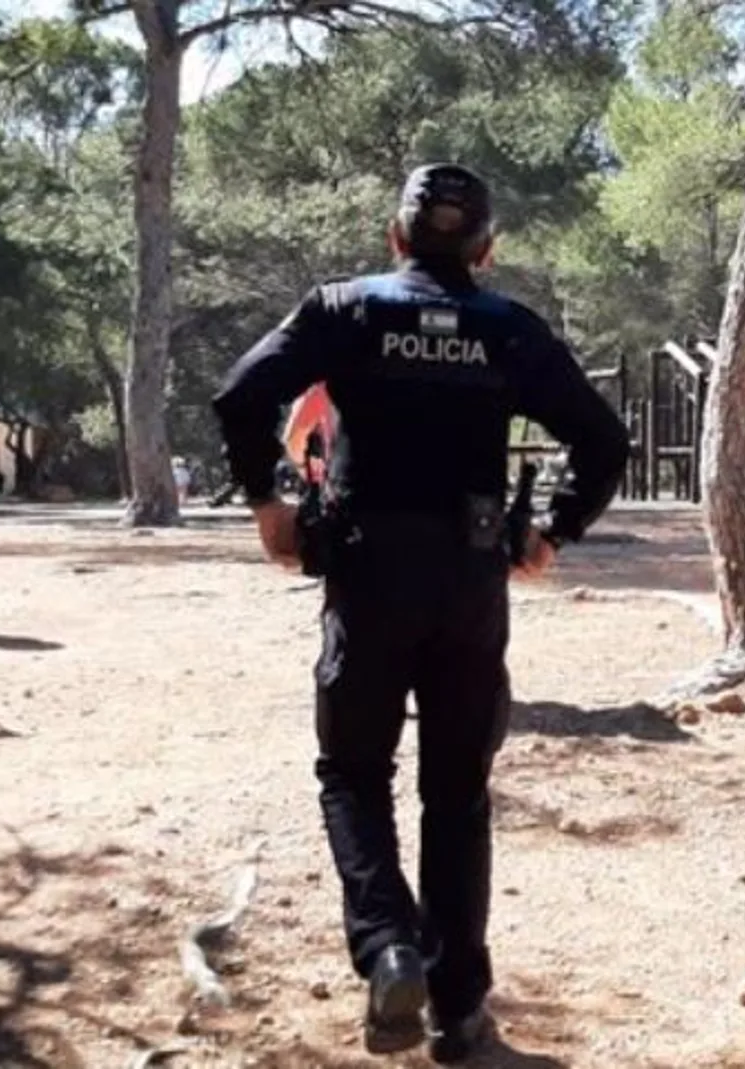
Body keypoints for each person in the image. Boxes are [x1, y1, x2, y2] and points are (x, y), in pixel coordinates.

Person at [211, 163, 629, 1063]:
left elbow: (243, 394)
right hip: (470, 582)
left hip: (365, 574)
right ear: (487, 249)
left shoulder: (345, 309)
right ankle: (459, 1008)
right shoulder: (509, 329)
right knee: (458, 794)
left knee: (353, 774)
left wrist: (267, 503)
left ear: (394, 237)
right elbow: (604, 437)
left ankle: (389, 945)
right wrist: (553, 529)